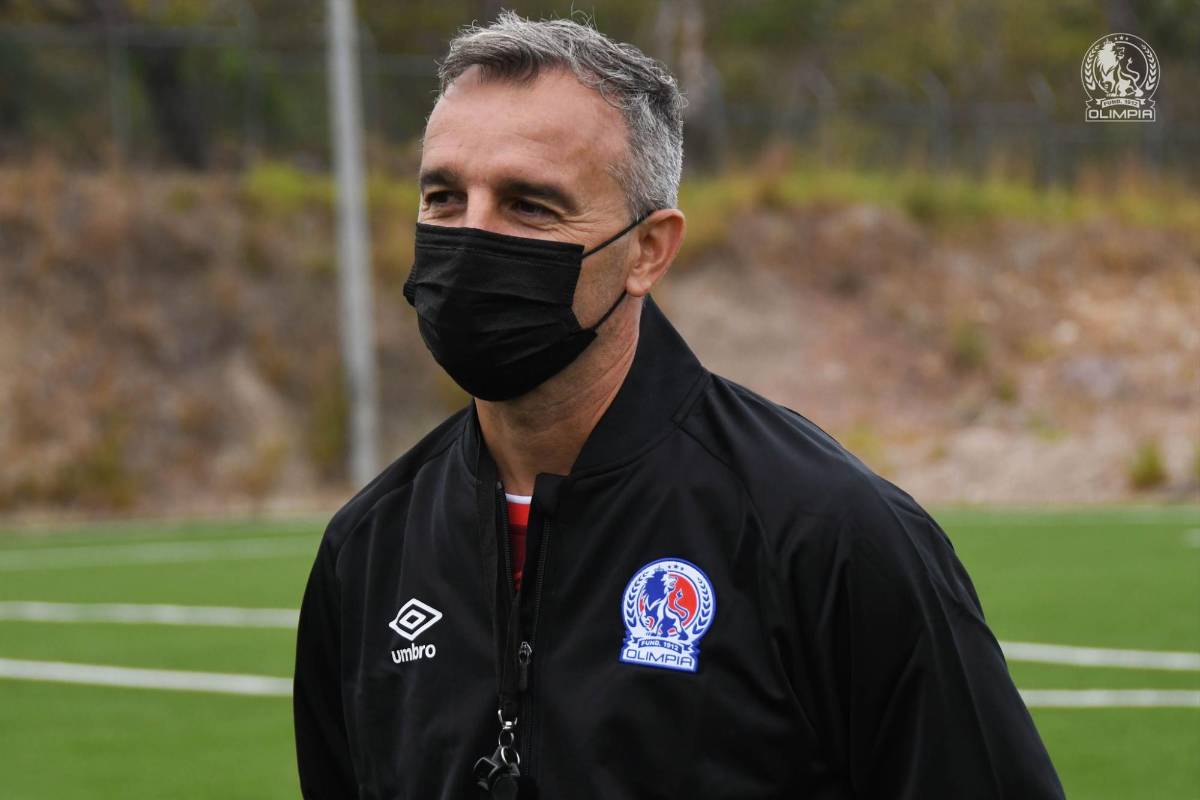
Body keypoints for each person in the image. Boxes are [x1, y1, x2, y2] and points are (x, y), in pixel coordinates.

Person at [292, 11, 1065, 799]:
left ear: (648, 250)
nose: (472, 237)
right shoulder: (366, 551)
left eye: (530, 205)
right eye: (444, 198)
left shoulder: (828, 536)